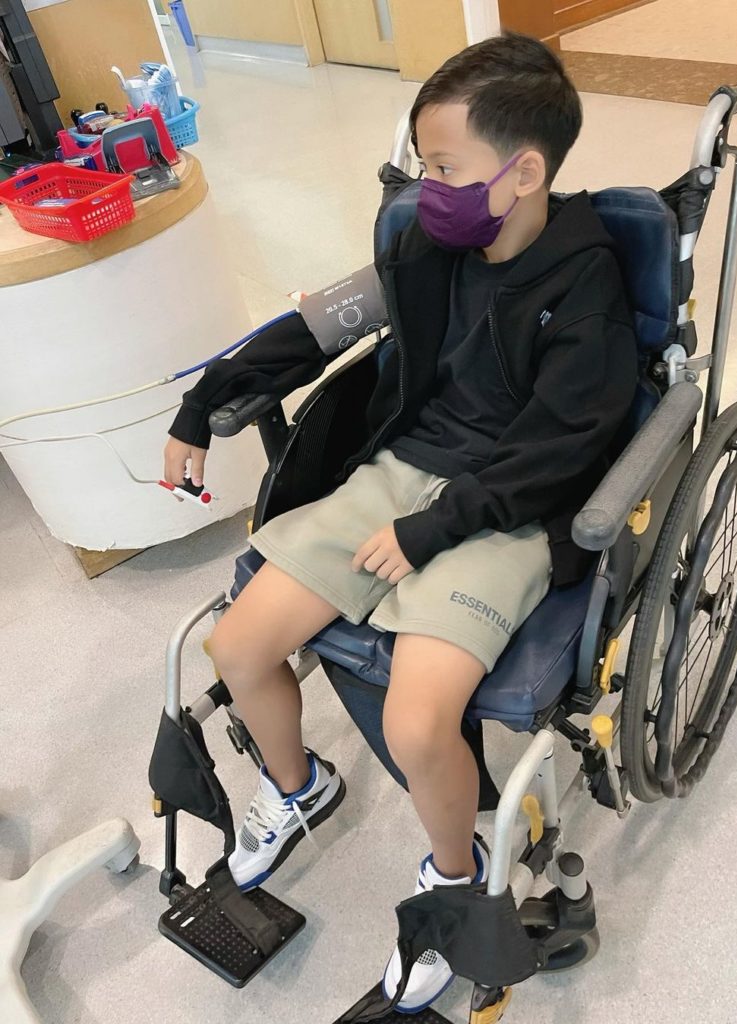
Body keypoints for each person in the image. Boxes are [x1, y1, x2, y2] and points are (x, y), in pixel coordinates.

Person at [163, 32, 637, 1013]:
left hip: (510, 508)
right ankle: (297, 787)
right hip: (399, 473)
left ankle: (454, 879)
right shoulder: (428, 244)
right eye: (424, 164)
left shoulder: (586, 289)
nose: (427, 188)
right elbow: (316, 327)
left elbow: (560, 446)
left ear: (524, 173)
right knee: (237, 644)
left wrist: (434, 531)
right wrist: (204, 401)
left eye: (446, 167)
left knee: (418, 724)